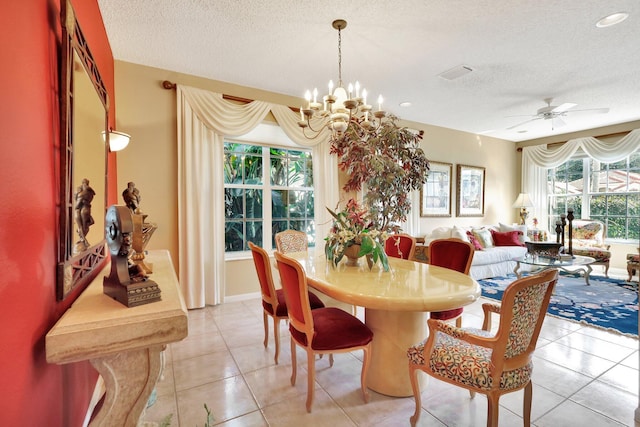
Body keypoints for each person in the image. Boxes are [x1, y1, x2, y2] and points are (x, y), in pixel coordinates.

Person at [74, 178, 95, 246]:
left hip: (81, 211)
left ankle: (84, 240)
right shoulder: (90, 193)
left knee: (81, 227)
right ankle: (83, 239)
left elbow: (77, 206)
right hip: (88, 209)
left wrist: (77, 197)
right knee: (86, 225)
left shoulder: (82, 194)